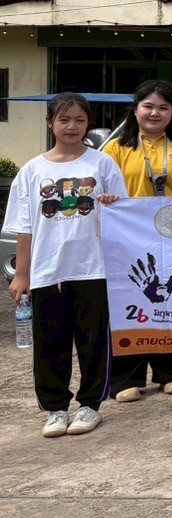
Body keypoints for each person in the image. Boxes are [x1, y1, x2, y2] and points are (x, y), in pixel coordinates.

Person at [5, 93, 126, 437]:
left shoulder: (103, 164)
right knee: (50, 344)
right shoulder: (32, 171)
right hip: (47, 272)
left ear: (88, 124)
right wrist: (22, 274)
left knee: (93, 341)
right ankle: (55, 408)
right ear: (50, 123)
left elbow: (123, 214)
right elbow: (25, 227)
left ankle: (90, 405)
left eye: (79, 120)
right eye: (64, 119)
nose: (72, 126)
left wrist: (112, 203)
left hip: (94, 269)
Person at [104, 80, 172, 402]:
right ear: (135, 110)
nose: (155, 113)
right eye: (148, 106)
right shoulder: (115, 149)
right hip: (127, 241)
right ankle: (126, 378)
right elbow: (102, 188)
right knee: (129, 302)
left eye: (164, 107)